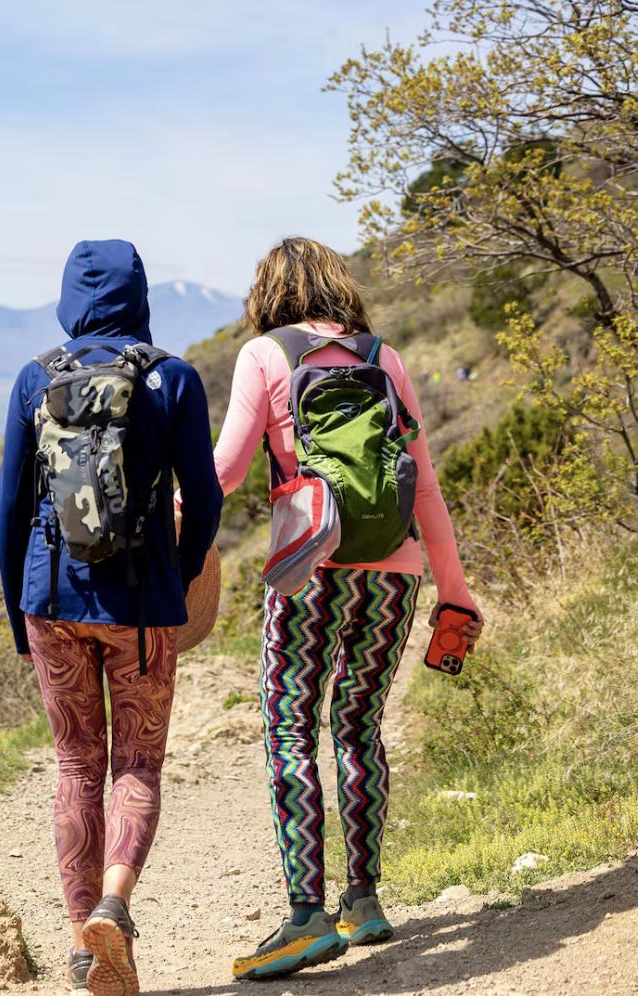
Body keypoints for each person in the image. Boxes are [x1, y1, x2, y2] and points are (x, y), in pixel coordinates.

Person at [215, 237, 484, 981]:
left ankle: (305, 916)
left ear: (269, 294)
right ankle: (361, 900)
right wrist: (455, 593)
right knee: (359, 724)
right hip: (394, 573)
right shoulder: (383, 358)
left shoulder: (266, 356)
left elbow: (229, 468)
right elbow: (422, 484)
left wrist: (167, 517)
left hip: (310, 572)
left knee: (289, 723)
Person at [0, 239, 222, 996]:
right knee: (137, 762)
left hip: (51, 600)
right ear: (140, 293)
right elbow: (208, 495)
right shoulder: (174, 377)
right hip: (140, 603)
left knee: (74, 766)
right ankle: (114, 907)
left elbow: (9, 507)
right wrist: (178, 579)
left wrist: (17, 613)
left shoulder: (36, 378)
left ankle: (77, 946)